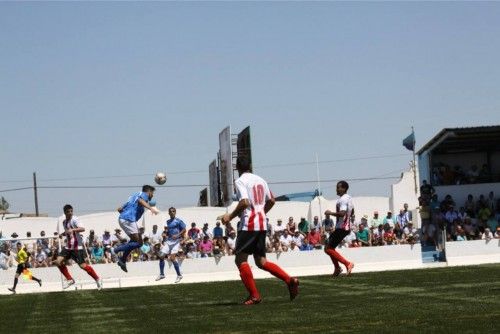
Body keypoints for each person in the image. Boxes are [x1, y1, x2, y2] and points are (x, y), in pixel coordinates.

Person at [221, 156, 299, 305]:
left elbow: (244, 202)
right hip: (262, 224)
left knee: (240, 259)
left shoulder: (240, 181)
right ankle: (290, 280)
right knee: (261, 261)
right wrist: (261, 213)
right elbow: (272, 200)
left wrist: (229, 217)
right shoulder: (261, 179)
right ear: (250, 166)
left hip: (249, 225)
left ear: (237, 167)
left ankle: (254, 295)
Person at [112, 185, 159, 272]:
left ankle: (122, 260)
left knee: (134, 242)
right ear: (149, 192)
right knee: (139, 243)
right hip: (129, 219)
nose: (152, 195)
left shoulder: (132, 196)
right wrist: (150, 208)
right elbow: (140, 201)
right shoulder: (143, 195)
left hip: (125, 219)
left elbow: (119, 209)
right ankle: (116, 250)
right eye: (152, 193)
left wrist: (126, 214)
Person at [55, 204, 102, 290]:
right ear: (65, 212)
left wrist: (73, 229)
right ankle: (70, 279)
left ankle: (97, 278)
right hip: (68, 247)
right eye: (68, 212)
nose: (70, 213)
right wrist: (63, 234)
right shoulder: (64, 222)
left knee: (83, 266)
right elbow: (68, 232)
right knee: (58, 262)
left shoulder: (75, 219)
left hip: (77, 247)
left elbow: (82, 229)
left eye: (71, 211)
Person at [324, 180, 355, 277]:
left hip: (342, 227)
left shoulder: (343, 199)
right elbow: (352, 212)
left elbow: (342, 213)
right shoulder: (349, 198)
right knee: (329, 248)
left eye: (338, 187)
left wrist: (330, 213)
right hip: (343, 227)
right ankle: (337, 268)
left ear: (344, 188)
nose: (336, 189)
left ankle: (347, 264)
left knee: (328, 249)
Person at [156, 207, 186, 283]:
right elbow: (169, 231)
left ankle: (179, 275)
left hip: (176, 242)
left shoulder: (178, 221)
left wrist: (178, 235)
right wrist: (165, 234)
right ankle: (162, 274)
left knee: (172, 258)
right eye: (170, 211)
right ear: (169, 213)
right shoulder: (168, 222)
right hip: (169, 241)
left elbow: (184, 229)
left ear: (175, 212)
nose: (172, 212)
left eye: (173, 211)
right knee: (161, 256)